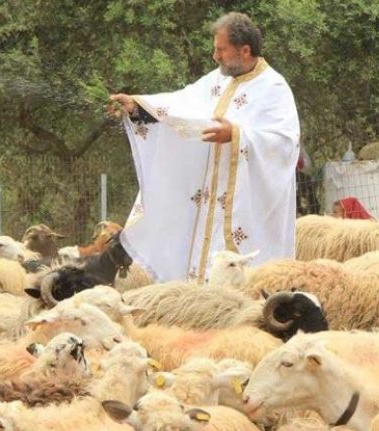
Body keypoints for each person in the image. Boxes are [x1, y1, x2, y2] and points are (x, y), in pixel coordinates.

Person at [108, 12, 300, 283]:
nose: (215, 56)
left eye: (221, 49)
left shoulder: (274, 88)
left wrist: (236, 135)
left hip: (246, 207)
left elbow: (285, 143)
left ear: (245, 50)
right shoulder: (217, 80)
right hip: (209, 201)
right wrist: (137, 106)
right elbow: (181, 104)